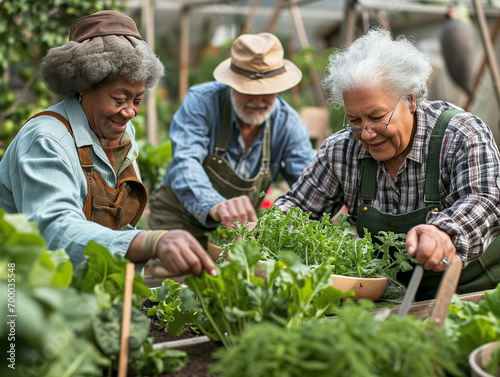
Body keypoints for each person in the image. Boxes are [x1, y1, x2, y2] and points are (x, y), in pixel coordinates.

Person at [273, 28, 500, 300]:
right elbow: (298, 208)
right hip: (396, 299)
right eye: (355, 120)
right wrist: (265, 230)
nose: (367, 133)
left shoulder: (461, 134)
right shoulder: (342, 149)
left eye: (377, 116)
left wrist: (443, 232)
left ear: (411, 100)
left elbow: (484, 198)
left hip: (480, 292)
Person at [0, 10, 216, 278]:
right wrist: (146, 243)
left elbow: (113, 227)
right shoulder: (46, 140)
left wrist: (156, 243)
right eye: (119, 98)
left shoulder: (120, 133)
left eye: (137, 99)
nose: (129, 112)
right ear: (82, 86)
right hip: (25, 292)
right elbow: (53, 230)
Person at [148, 32, 317, 248]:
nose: (257, 100)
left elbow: (309, 186)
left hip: (236, 234)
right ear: (231, 83)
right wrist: (215, 205)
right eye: (247, 90)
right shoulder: (202, 103)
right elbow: (185, 162)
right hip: (179, 224)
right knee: (171, 281)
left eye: (267, 91)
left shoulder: (288, 123)